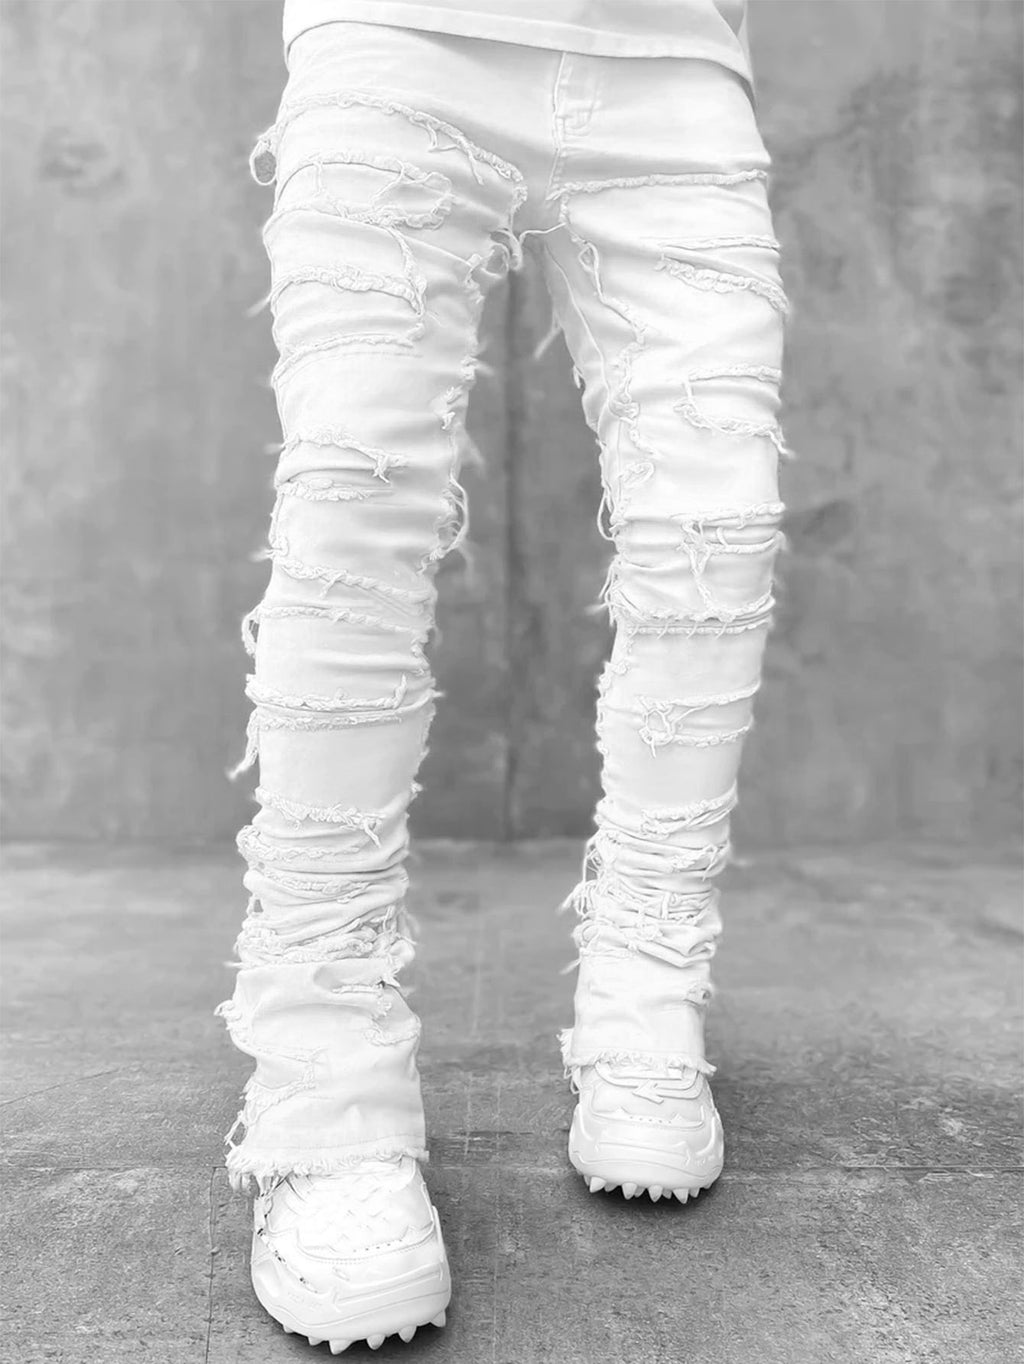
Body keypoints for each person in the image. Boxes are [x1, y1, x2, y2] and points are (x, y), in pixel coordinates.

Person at [214, 0, 790, 1350]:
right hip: (398, 26)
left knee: (718, 520)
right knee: (354, 502)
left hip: (675, 46)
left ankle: (647, 1004)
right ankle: (323, 1092)